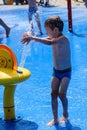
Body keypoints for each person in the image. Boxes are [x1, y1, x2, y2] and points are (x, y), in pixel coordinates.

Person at [21, 16, 71, 126]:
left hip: (66, 72)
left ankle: (65, 113)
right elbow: (49, 39)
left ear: (56, 30)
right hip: (56, 72)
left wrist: (32, 37)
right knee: (53, 94)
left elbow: (50, 42)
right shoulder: (53, 38)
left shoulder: (63, 40)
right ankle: (55, 118)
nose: (47, 34)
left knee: (62, 94)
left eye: (48, 31)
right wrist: (31, 38)